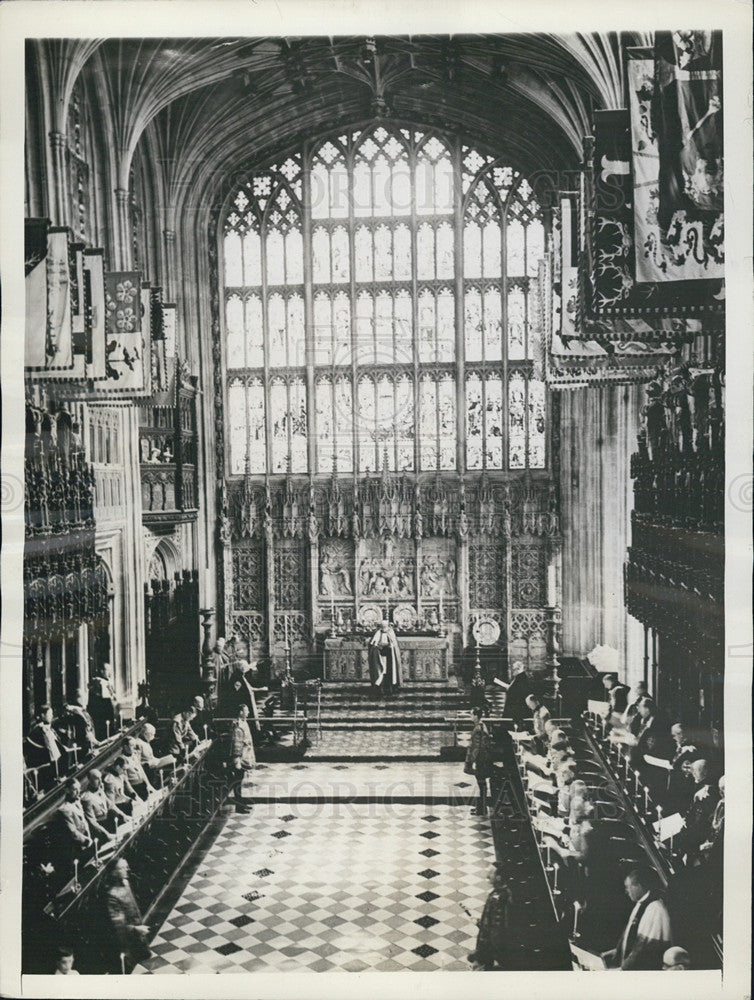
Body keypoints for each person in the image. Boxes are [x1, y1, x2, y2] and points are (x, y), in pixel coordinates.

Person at [601, 867, 672, 970]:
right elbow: (632, 939)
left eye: (628, 887)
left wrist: (621, 970)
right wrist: (617, 951)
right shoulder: (640, 904)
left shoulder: (655, 910)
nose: (626, 891)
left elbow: (644, 949)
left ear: (638, 886)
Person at [105, 858, 151, 971]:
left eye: (126, 867)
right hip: (127, 940)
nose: (127, 870)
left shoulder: (125, 882)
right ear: (114, 872)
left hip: (138, 932)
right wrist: (136, 929)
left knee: (144, 959)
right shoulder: (111, 895)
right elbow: (118, 926)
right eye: (122, 868)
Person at [468, 865, 513, 969]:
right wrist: (479, 921)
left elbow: (496, 931)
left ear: (499, 877)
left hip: (489, 953)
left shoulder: (501, 898)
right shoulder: (497, 894)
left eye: (491, 873)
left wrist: (480, 957)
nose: (488, 875)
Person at [56, 778, 93, 876]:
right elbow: (73, 832)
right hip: (77, 847)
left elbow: (84, 821)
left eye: (79, 789)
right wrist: (87, 841)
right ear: (67, 790)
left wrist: (89, 836)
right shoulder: (65, 809)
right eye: (75, 789)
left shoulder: (77, 801)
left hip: (87, 839)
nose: (78, 792)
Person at [81, 767, 128, 842]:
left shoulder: (100, 789)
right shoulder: (86, 798)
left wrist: (123, 815)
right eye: (96, 779)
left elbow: (111, 805)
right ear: (89, 780)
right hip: (100, 828)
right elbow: (92, 822)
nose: (100, 781)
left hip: (108, 822)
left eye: (100, 778)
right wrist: (106, 834)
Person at [25, 705, 66, 788]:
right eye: (49, 714)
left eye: (52, 714)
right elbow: (50, 752)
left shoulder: (48, 729)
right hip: (43, 767)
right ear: (42, 715)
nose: (52, 716)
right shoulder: (38, 731)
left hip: (52, 765)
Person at [465, 706, 495, 815]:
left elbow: (476, 747)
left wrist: (470, 761)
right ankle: (481, 807)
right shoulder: (481, 726)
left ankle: (481, 809)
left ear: (476, 716)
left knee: (481, 785)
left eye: (471, 714)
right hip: (483, 759)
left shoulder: (478, 728)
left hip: (481, 760)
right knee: (482, 785)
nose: (470, 716)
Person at [368, 620, 402, 698]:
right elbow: (373, 644)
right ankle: (380, 689)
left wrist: (390, 646)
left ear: (388, 626)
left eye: (385, 626)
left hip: (389, 656)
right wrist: (377, 646)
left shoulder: (391, 633)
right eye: (382, 626)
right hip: (379, 656)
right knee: (380, 672)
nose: (384, 628)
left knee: (389, 672)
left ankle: (390, 688)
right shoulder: (377, 633)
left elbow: (394, 645)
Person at [88, 663, 117, 740]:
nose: (110, 673)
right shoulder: (98, 682)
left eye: (110, 670)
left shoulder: (108, 681)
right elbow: (103, 698)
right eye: (108, 670)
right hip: (102, 713)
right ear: (101, 671)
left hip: (110, 711)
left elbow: (113, 695)